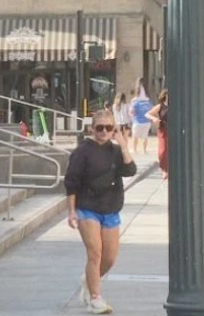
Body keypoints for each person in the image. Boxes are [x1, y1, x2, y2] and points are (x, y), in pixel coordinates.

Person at [64, 110, 138, 314]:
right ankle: (95, 298)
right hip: (87, 207)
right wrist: (71, 211)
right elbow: (71, 182)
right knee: (95, 253)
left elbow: (130, 170)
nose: (104, 131)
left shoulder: (115, 151)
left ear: (114, 129)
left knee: (110, 258)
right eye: (99, 128)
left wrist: (123, 144)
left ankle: (89, 280)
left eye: (109, 128)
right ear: (91, 129)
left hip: (110, 207)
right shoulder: (82, 151)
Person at [146, 89, 169, 179]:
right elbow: (147, 114)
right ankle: (164, 169)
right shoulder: (160, 106)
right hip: (163, 129)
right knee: (162, 152)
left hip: (173, 130)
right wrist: (154, 119)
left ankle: (168, 170)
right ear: (165, 95)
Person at [128, 88, 153, 154]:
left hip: (137, 122)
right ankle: (144, 150)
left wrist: (132, 103)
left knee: (135, 136)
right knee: (145, 137)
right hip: (147, 122)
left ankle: (135, 149)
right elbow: (151, 111)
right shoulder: (148, 103)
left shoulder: (136, 103)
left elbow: (131, 112)